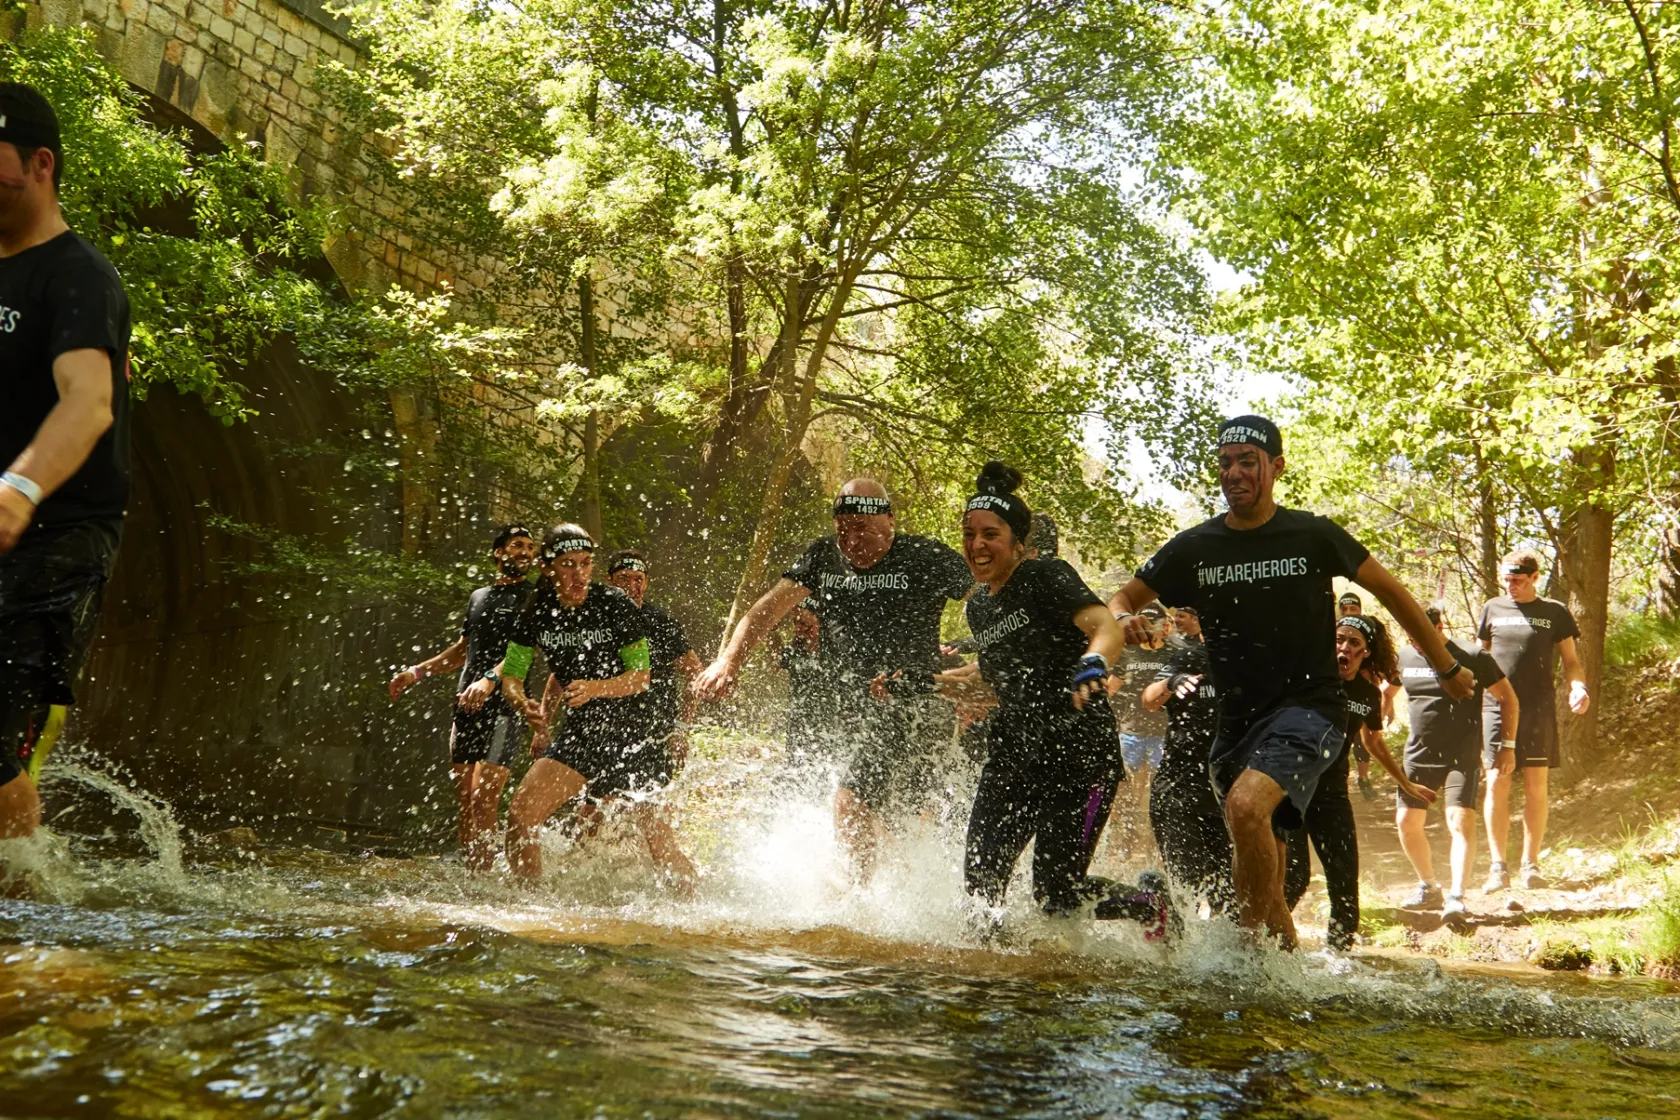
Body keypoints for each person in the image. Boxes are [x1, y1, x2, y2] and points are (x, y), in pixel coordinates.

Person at [1106, 415, 1473, 948]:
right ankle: (1282, 966)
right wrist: (1123, 620)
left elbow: (1392, 592)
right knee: (1267, 863)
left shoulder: (1313, 534)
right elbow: (1121, 598)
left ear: (1275, 467)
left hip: (1309, 708)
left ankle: (1240, 960)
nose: (1234, 473)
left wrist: (1447, 666)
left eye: (1247, 461)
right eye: (1225, 463)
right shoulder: (1195, 546)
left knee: (1245, 806)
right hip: (1236, 724)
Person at [693, 479, 971, 877]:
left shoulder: (925, 556)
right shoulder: (823, 557)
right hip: (854, 709)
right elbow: (768, 609)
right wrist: (728, 662)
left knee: (853, 802)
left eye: (862, 529)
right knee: (882, 819)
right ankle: (884, 894)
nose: (851, 542)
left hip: (915, 705)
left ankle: (859, 898)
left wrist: (982, 672)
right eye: (842, 531)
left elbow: (990, 595)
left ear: (889, 520)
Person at [0, 84, 131, 842]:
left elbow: (89, 401)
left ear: (40, 164)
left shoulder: (79, 277)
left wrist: (19, 489)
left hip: (58, 537)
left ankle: (21, 898)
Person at [938, 463, 1144, 923]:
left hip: (1081, 758)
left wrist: (1094, 662)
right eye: (969, 534)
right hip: (1014, 754)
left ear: (1018, 543)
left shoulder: (1046, 576)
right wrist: (924, 683)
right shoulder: (979, 606)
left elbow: (1105, 626)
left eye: (990, 534)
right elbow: (992, 682)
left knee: (1057, 895)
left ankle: (1150, 905)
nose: (976, 545)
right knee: (980, 885)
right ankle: (991, 966)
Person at [497, 525, 695, 888]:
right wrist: (523, 703)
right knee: (521, 817)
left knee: (660, 844)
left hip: (637, 734)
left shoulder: (614, 603)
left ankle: (695, 904)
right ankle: (530, 903)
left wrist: (594, 688)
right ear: (546, 567)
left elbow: (641, 677)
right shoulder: (535, 609)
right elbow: (511, 676)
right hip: (585, 731)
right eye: (568, 564)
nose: (579, 575)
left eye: (586, 563)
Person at [388, 525, 538, 868]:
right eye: (517, 545)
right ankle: (473, 876)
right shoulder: (478, 597)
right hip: (466, 706)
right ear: (498, 552)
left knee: (484, 798)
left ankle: (489, 879)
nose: (525, 552)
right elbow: (461, 651)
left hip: (505, 705)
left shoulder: (534, 597)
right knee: (466, 801)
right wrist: (415, 672)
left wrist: (489, 680)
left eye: (530, 547)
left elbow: (524, 651)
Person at [1282, 615, 1427, 949]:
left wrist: (1404, 782)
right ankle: (1258, 946)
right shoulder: (1307, 679)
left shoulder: (1366, 695)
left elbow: (1373, 742)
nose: (1344, 648)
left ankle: (1339, 963)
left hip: (1331, 795)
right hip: (1289, 790)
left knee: (1345, 888)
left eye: (1354, 643)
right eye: (1339, 640)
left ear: (1366, 652)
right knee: (1294, 878)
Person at [1478, 550, 1589, 890]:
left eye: (1518, 580)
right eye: (1506, 580)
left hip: (1538, 707)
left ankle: (1531, 864)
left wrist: (1578, 687)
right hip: (1496, 706)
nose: (1510, 586)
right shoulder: (1492, 608)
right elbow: (1478, 657)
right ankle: (1498, 867)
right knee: (1496, 782)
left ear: (1535, 578)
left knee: (1536, 785)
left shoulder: (1554, 612)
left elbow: (1571, 661)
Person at [1396, 606, 1518, 914]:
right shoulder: (1405, 656)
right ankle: (1428, 887)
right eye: (1411, 637)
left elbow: (1508, 698)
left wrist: (1507, 746)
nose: (1416, 643)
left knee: (1460, 820)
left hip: (1460, 755)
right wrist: (1382, 704)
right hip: (1419, 754)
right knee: (1407, 822)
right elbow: (1387, 686)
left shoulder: (1473, 656)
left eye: (1420, 636)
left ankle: (1456, 896)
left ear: (1439, 628)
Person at [1139, 627, 1232, 915]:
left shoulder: (1252, 665)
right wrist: (1171, 682)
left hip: (1226, 800)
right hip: (1178, 794)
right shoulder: (1191, 657)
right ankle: (1155, 902)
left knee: (1228, 900)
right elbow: (1148, 700)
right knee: (1186, 892)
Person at [605, 550, 704, 774]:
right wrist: (543, 723)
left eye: (638, 579)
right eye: (623, 578)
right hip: (605, 727)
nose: (631, 586)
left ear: (646, 583)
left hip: (655, 730)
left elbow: (695, 673)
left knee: (649, 794)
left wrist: (681, 729)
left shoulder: (661, 623)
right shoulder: (596, 619)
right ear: (609, 580)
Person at [776, 605, 838, 765]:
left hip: (831, 723)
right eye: (795, 623)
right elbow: (776, 665)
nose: (797, 629)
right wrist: (773, 634)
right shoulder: (793, 649)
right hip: (798, 722)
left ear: (821, 622)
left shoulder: (836, 649)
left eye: (804, 624)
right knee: (796, 765)